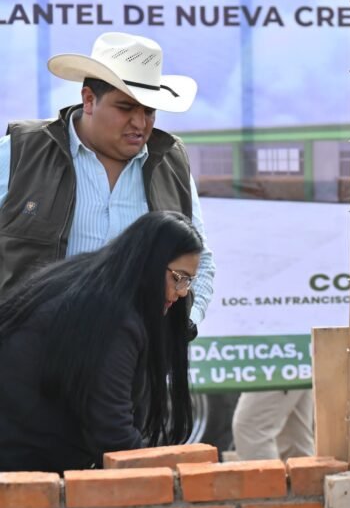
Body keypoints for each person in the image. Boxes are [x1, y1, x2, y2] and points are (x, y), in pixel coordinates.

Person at [0, 31, 215, 335]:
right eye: (126, 108)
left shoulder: (171, 162)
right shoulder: (20, 152)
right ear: (89, 99)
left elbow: (199, 257)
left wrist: (183, 325)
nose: (140, 123)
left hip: (131, 365)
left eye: (149, 111)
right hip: (27, 361)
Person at [0, 211, 202, 472]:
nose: (183, 291)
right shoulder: (114, 318)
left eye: (189, 281)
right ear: (150, 262)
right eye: (178, 277)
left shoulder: (94, 281)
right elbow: (113, 436)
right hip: (19, 465)